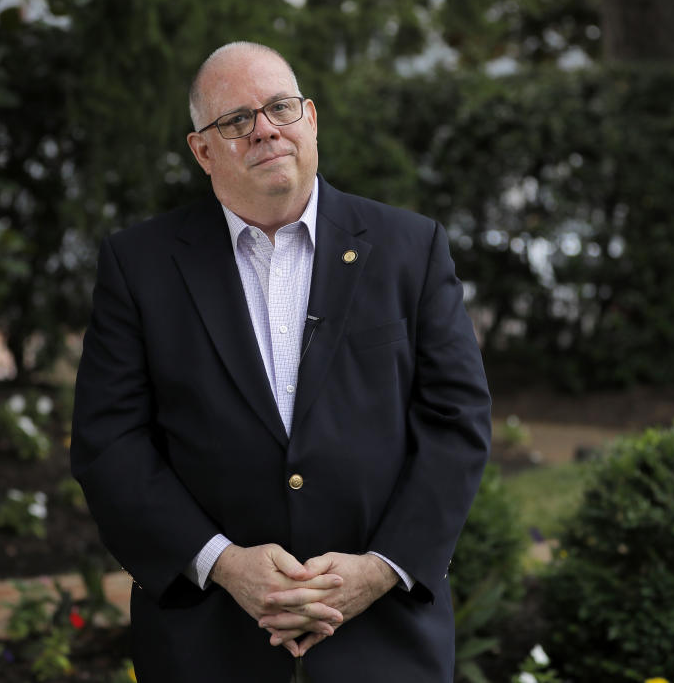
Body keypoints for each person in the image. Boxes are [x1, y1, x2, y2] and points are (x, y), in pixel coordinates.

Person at [70, 41, 491, 683]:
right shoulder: (140, 265)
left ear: (311, 119)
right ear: (202, 151)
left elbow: (457, 424)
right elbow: (109, 443)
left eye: (279, 107)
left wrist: (379, 569)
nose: (264, 128)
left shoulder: (412, 249)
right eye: (236, 119)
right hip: (208, 642)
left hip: (384, 640)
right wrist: (224, 563)